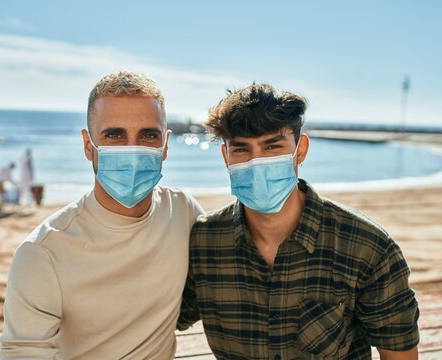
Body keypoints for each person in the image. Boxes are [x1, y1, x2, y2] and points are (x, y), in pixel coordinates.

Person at [178, 83, 419, 359]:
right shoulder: (204, 241)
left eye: (272, 147)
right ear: (226, 157)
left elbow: (399, 353)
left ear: (300, 150)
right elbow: (161, 316)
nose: (257, 162)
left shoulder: (367, 245)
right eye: (242, 150)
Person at [0, 71, 204, 359]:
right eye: (115, 135)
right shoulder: (43, 253)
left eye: (148, 135)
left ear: (165, 145)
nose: (132, 149)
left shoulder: (183, 212)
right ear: (88, 145)